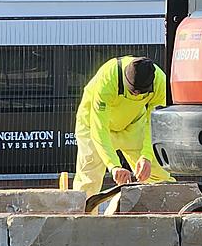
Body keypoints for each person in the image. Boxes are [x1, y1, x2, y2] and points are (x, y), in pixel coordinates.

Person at [73, 56, 172, 197]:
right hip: (92, 125)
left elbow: (155, 123)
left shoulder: (160, 82)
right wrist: (114, 166)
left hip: (132, 125)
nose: (136, 94)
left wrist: (147, 156)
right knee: (88, 182)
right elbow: (99, 129)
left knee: (158, 177)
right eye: (132, 91)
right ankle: (84, 217)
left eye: (141, 92)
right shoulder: (108, 79)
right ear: (125, 78)